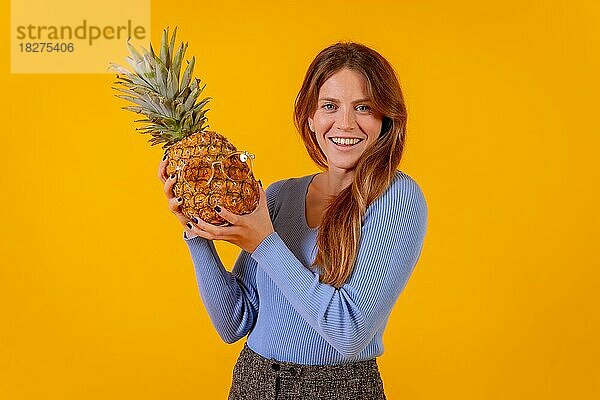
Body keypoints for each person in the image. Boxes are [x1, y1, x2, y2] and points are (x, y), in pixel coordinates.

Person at [158, 41, 428, 400]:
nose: (345, 123)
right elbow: (233, 321)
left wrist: (264, 243)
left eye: (363, 107)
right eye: (329, 106)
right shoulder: (280, 195)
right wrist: (197, 231)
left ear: (385, 120)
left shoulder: (397, 198)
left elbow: (349, 333)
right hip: (253, 382)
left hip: (338, 390)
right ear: (310, 118)